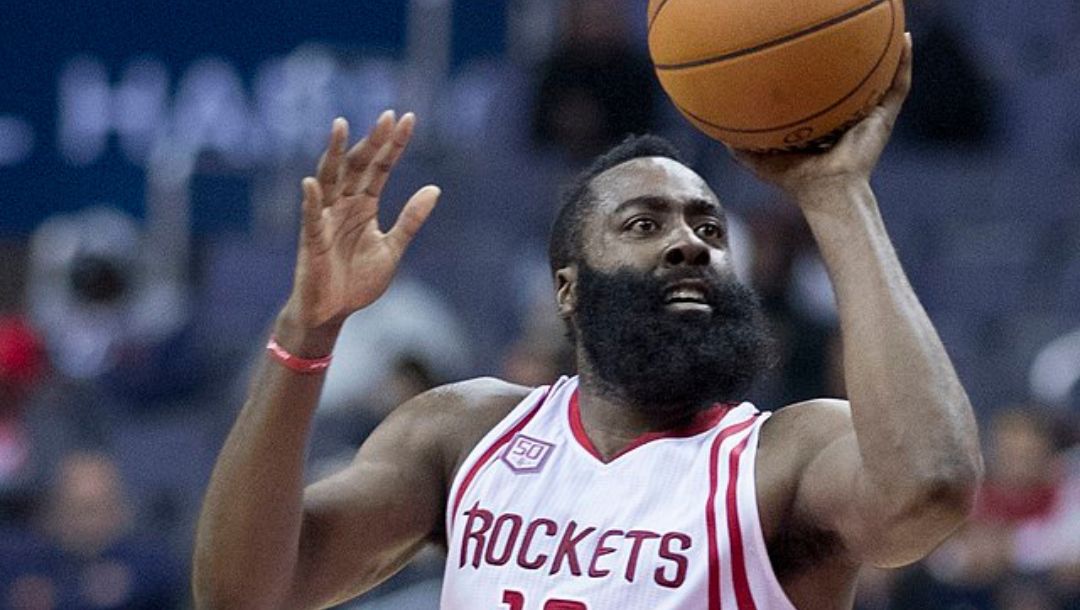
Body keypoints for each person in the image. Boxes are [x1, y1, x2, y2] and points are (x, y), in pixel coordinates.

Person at [193, 35, 983, 610]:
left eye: (709, 228)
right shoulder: (464, 434)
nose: (689, 243)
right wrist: (308, 330)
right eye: (644, 224)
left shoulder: (780, 460)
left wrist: (836, 194)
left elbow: (930, 489)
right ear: (567, 290)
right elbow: (246, 594)